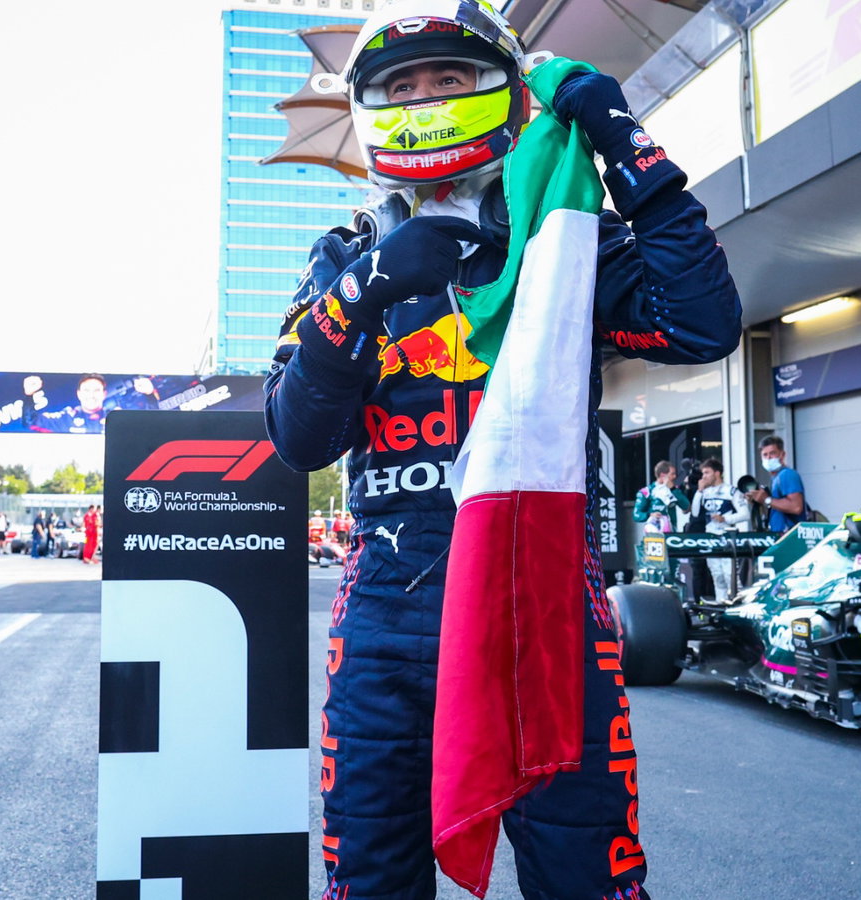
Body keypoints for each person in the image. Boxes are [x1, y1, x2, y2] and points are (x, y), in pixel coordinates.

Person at [264, 3, 741, 895]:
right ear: (372, 111)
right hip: (387, 620)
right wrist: (362, 295)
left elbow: (704, 323)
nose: (428, 97)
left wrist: (626, 146)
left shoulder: (568, 240)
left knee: (584, 878)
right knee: (371, 880)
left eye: (450, 77)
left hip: (545, 605)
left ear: (505, 93)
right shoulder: (345, 252)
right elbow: (298, 437)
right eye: (403, 86)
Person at [691, 458, 751, 603]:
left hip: (727, 537)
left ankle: (738, 606)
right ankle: (721, 605)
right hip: (711, 538)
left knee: (730, 575)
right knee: (717, 575)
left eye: (707, 472)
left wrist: (725, 519)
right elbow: (694, 512)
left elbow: (745, 514)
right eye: (702, 473)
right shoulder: (704, 492)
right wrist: (699, 491)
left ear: (717, 473)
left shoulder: (731, 491)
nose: (703, 476)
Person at [22, 373, 156, 434]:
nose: (91, 395)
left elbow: (150, 425)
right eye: (86, 390)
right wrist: (29, 396)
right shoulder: (66, 417)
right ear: (79, 394)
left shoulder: (117, 418)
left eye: (96, 390)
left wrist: (150, 394)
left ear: (104, 394)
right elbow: (30, 423)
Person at [746, 435, 806, 533]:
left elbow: (796, 507)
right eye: (765, 455)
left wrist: (766, 499)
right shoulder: (775, 478)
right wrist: (758, 501)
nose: (768, 458)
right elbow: (776, 508)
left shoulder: (787, 475)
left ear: (782, 455)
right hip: (780, 534)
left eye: (772, 453)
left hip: (790, 535)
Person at [633, 460, 688, 534]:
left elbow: (686, 506)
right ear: (662, 475)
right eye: (672, 474)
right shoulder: (647, 491)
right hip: (653, 534)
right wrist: (650, 515)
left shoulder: (675, 490)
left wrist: (673, 489)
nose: (675, 477)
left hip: (672, 533)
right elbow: (636, 515)